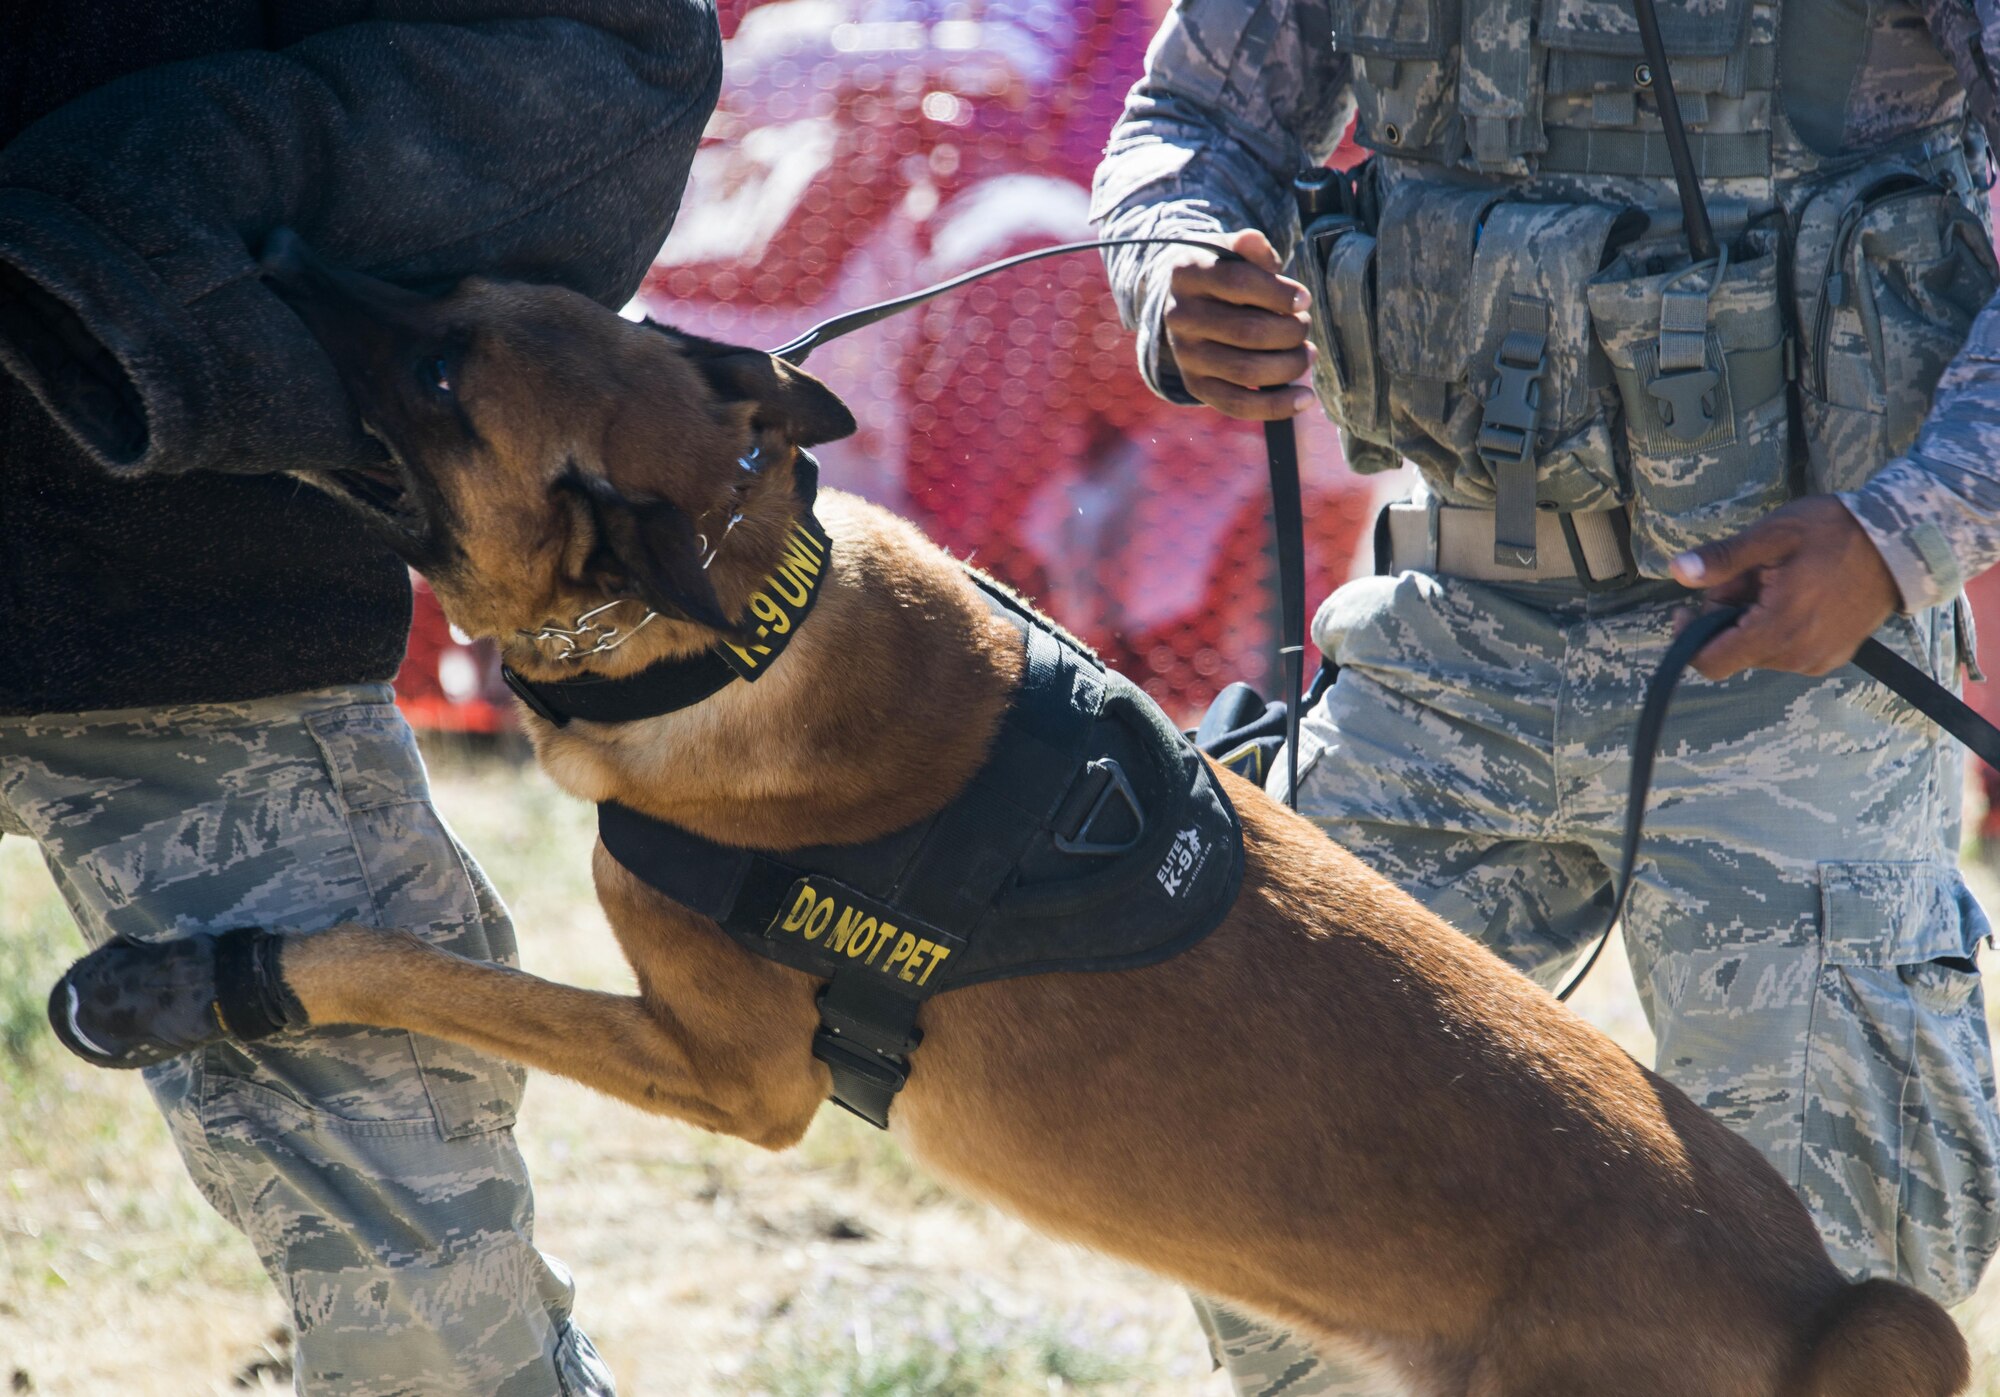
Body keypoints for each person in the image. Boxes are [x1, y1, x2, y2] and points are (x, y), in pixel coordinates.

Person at [1092, 0, 2000, 1391]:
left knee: (1833, 1277)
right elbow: (1196, 124)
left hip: (1797, 642)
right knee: (1263, 1160)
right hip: (1454, 609)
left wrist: (1903, 533)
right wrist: (1180, 274)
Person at [0, 3, 720, 1392]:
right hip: (195, 588)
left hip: (196, 606)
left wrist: (134, 227)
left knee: (446, 1341)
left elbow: (617, 49)